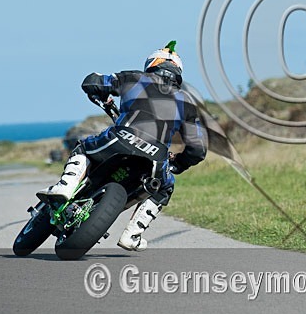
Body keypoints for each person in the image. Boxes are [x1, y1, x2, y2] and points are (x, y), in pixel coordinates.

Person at [37, 41, 207, 251]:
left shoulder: (135, 78)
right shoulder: (187, 102)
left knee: (84, 148)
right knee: (165, 187)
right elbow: (198, 149)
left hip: (121, 139)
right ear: (178, 72)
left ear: (152, 63)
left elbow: (94, 82)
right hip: (157, 157)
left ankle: (66, 187)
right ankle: (133, 234)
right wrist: (178, 164)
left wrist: (98, 90)